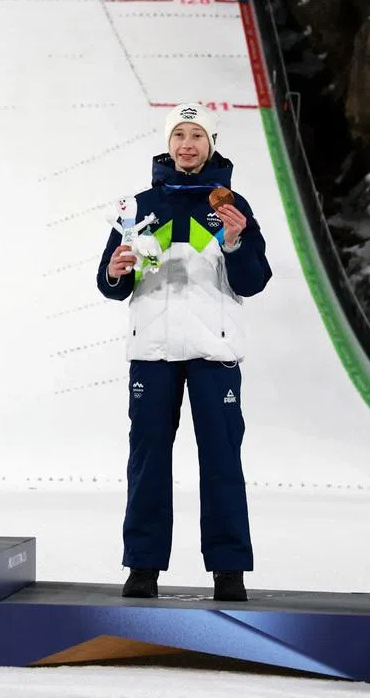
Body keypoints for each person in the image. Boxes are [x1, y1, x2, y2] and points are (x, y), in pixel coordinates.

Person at [96, 103, 272, 602]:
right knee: (148, 460)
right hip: (151, 353)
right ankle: (144, 567)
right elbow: (111, 284)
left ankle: (228, 571)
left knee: (221, 461)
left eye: (196, 135)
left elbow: (254, 282)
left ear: (211, 144)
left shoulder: (231, 207)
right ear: (168, 144)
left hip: (213, 353)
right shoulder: (139, 206)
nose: (187, 145)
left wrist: (235, 240)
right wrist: (117, 267)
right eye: (179, 135)